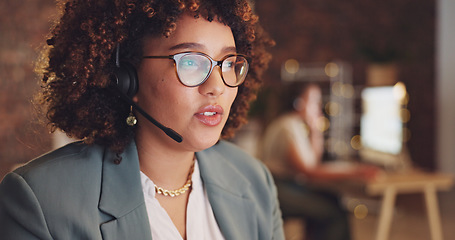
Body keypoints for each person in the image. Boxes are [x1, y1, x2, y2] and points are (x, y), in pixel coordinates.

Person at [0, 0, 283, 239]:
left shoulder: (254, 181)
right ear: (127, 79)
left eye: (229, 63)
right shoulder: (41, 201)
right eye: (190, 61)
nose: (217, 87)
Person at [260, 83, 379, 240]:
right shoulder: (286, 126)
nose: (318, 106)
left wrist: (315, 130)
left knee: (333, 199)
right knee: (333, 212)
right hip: (277, 189)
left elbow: (313, 162)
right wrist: (355, 172)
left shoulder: (294, 125)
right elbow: (308, 172)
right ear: (298, 102)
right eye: (314, 101)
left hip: (287, 185)